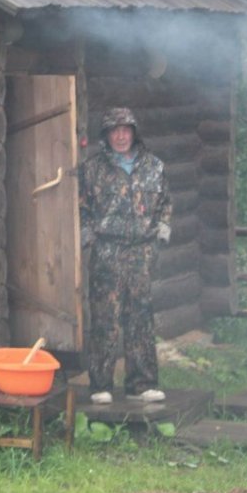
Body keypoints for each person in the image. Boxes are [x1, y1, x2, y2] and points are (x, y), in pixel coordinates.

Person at [78, 106, 172, 405]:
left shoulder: (155, 166)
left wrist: (163, 227)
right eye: (114, 130)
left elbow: (166, 201)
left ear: (134, 132)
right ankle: (100, 385)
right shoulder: (92, 169)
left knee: (140, 317)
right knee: (105, 318)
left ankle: (142, 384)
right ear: (106, 135)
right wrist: (87, 232)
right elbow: (81, 207)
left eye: (126, 129)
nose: (120, 136)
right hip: (107, 251)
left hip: (142, 252)